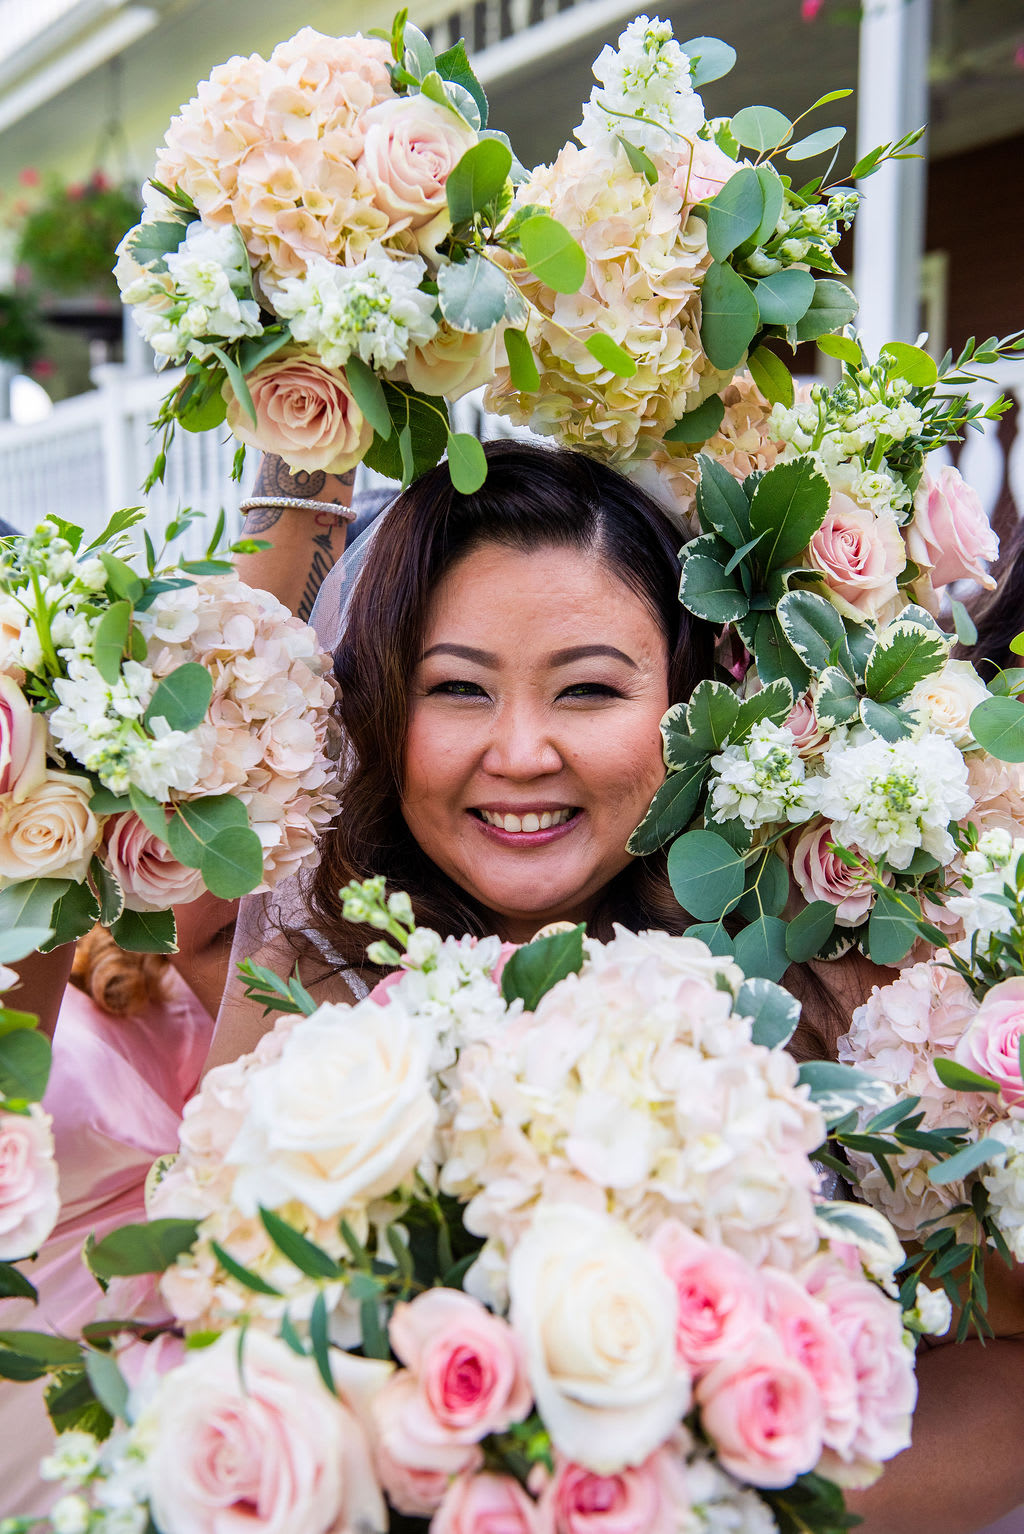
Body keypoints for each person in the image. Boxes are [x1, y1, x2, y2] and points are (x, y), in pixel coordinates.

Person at [206, 438, 1024, 1534]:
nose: (522, 750)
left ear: (689, 702)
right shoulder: (315, 968)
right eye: (459, 689)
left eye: (588, 688)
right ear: (386, 709)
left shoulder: (837, 975)